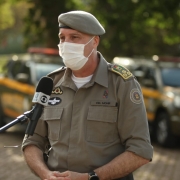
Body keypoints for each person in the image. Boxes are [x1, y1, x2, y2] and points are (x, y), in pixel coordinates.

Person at [22, 10, 153, 180]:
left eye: (74, 37)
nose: (66, 44)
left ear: (94, 41)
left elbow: (140, 150)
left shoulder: (121, 84)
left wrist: (90, 177)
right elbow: (32, 142)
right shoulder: (50, 84)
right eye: (62, 38)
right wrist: (46, 174)